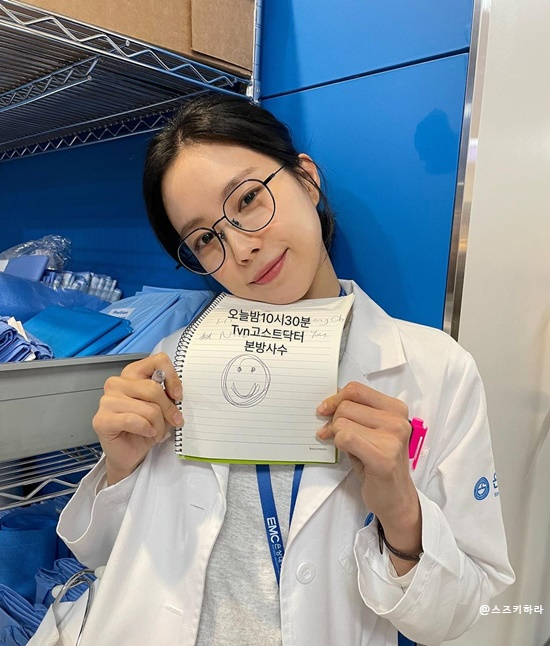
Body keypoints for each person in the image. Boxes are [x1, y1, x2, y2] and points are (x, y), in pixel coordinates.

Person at [56, 93, 514, 645]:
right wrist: (120, 469)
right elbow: (104, 555)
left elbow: (459, 615)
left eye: (248, 199)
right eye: (205, 239)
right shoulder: (174, 363)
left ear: (306, 180)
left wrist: (402, 516)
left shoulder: (434, 371)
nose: (240, 249)